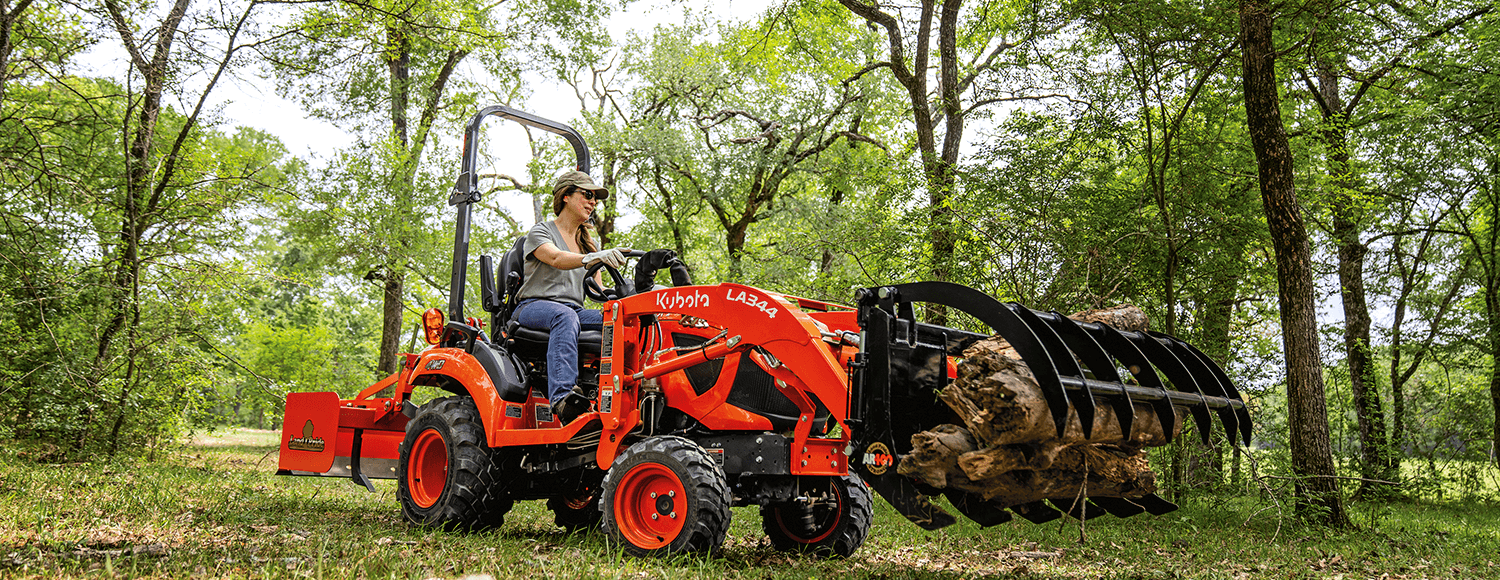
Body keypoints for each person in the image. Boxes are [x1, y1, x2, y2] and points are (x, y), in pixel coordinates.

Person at [513, 170, 629, 423]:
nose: (593, 202)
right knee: (564, 316)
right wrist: (592, 258)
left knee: (625, 320)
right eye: (587, 195)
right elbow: (556, 258)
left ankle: (627, 398)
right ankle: (563, 399)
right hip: (533, 307)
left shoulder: (588, 243)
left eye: (595, 198)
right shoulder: (540, 232)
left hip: (573, 312)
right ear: (566, 196)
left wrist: (627, 297)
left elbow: (599, 292)